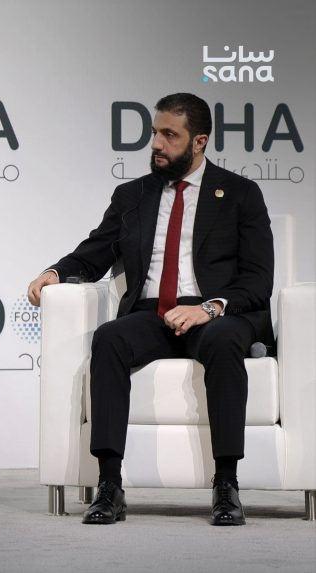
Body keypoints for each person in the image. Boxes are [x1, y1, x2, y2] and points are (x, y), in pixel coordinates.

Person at [28, 93, 273, 526]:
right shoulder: (133, 195)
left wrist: (209, 309)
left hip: (215, 315)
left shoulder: (240, 194)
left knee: (222, 341)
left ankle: (226, 484)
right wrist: (56, 272)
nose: (157, 144)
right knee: (109, 339)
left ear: (199, 141)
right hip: (152, 313)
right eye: (155, 132)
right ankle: (109, 484)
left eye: (169, 135)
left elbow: (258, 280)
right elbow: (96, 250)